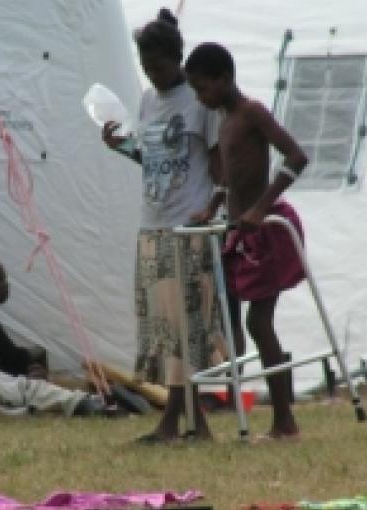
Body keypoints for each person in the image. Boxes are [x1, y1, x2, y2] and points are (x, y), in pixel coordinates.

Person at [101, 8, 225, 442]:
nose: (152, 75)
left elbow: (218, 164)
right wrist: (122, 147)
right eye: (145, 67)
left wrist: (214, 207)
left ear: (177, 59)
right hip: (151, 226)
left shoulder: (201, 101)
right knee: (164, 330)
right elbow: (152, 161)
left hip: (186, 226)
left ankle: (178, 423)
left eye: (157, 66)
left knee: (185, 329)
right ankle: (190, 424)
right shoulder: (150, 101)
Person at [185, 42, 309, 441]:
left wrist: (261, 208)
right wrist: (213, 206)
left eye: (202, 89)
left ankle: (285, 422)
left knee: (259, 322)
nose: (199, 99)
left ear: (223, 79)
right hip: (239, 232)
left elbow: (296, 157)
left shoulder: (251, 112)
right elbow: (230, 174)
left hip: (266, 230)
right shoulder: (223, 120)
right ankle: (245, 407)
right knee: (235, 320)